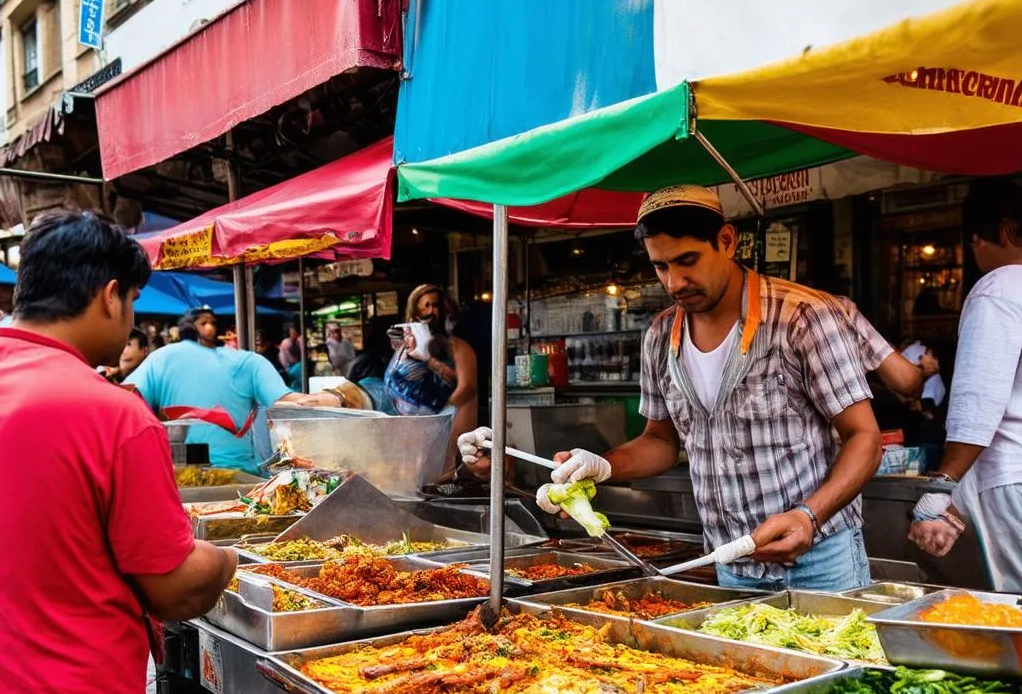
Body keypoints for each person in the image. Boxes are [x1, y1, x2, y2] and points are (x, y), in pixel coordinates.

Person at [0, 211, 237, 694]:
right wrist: (226, 558)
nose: (132, 325)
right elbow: (173, 587)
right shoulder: (110, 413)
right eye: (132, 306)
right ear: (109, 297)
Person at [460, 185, 883, 591]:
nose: (675, 282)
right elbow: (661, 441)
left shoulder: (804, 317)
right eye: (661, 266)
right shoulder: (661, 336)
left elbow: (864, 437)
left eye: (688, 261)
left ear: (726, 240)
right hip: (730, 563)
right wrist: (601, 465)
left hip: (820, 560)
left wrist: (809, 515)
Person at [909, 178, 1022, 591]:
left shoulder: (999, 287)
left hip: (1013, 478)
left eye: (975, 242)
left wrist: (941, 490)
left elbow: (979, 403)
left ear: (1002, 231)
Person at [127, 307, 341, 474]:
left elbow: (126, 402)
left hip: (182, 477)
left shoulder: (161, 358)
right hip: (237, 478)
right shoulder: (249, 362)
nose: (209, 328)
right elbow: (295, 403)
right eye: (203, 323)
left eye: (212, 323)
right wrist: (342, 397)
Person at [384, 283, 478, 440]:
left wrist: (440, 417)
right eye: (425, 306)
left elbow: (467, 387)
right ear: (415, 311)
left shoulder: (456, 346)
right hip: (409, 431)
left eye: (435, 305)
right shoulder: (407, 346)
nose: (430, 311)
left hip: (444, 428)